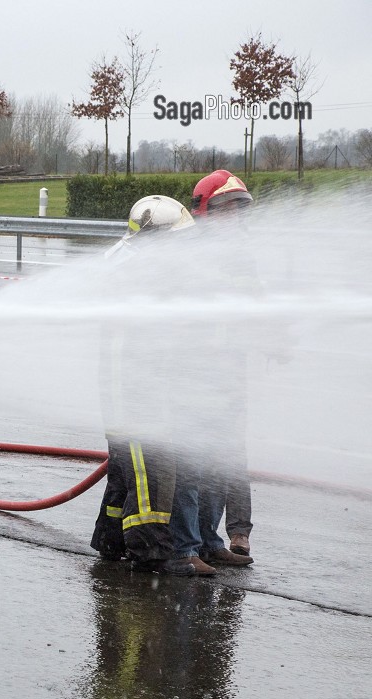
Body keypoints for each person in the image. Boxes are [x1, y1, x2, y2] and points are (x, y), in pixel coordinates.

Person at [90, 195, 200, 576]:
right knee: (153, 472)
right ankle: (152, 553)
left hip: (135, 389)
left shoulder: (130, 263)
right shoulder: (137, 273)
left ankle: (111, 541)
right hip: (135, 394)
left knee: (127, 473)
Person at [176, 169, 256, 567]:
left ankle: (208, 541)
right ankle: (187, 545)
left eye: (240, 209)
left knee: (220, 459)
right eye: (228, 209)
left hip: (229, 373)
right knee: (192, 463)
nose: (236, 218)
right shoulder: (187, 252)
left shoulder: (241, 256)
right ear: (206, 210)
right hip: (195, 373)